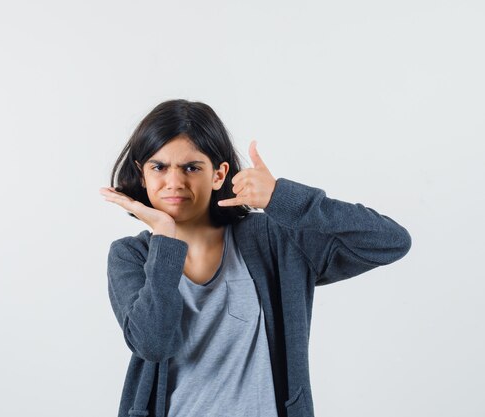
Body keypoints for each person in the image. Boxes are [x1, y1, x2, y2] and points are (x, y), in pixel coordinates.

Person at [99, 99, 411, 417]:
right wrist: (165, 237)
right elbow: (154, 343)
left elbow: (388, 242)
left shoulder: (271, 240)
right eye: (159, 167)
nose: (175, 182)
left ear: (219, 174)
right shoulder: (131, 256)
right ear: (142, 175)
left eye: (191, 167)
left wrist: (282, 198)